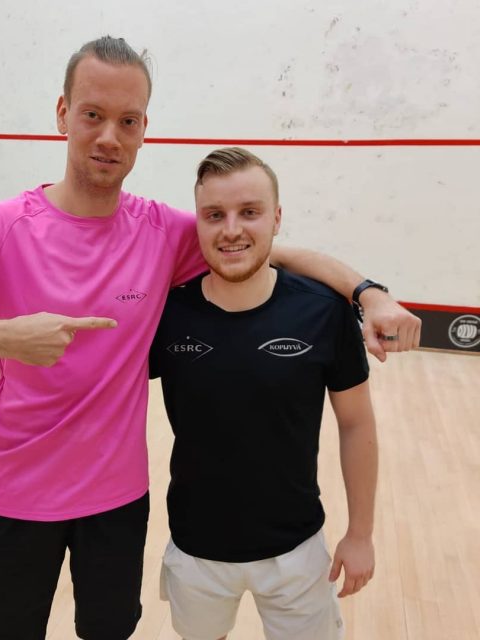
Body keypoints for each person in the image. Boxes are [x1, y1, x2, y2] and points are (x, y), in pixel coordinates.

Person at [0, 37, 418, 640]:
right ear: (63, 114)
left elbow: (266, 250)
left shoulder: (162, 233)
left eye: (127, 121)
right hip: (11, 498)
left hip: (116, 505)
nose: (109, 137)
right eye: (93, 114)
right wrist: (2, 339)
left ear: (145, 129)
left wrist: (368, 293)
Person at [152, 147, 376, 639]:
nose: (231, 229)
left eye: (249, 212)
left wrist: (360, 534)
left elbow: (356, 422)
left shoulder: (323, 312)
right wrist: (9, 372)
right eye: (215, 215)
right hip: (195, 550)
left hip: (297, 552)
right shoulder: (166, 315)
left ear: (276, 218)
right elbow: (101, 379)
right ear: (198, 224)